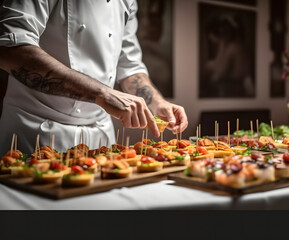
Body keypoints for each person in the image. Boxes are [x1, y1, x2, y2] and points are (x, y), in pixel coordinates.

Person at [0, 0, 188, 155]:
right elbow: (11, 50)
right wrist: (102, 94)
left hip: (101, 135)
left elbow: (129, 65)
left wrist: (156, 102)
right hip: (35, 133)